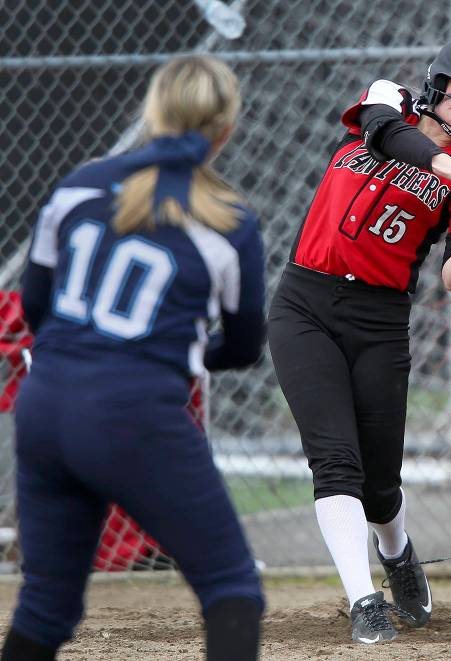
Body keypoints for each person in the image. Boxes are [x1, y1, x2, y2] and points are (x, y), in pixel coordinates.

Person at [267, 34, 451, 644]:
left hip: (379, 319)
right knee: (335, 460)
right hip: (303, 302)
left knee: (381, 482)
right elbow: (390, 135)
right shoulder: (389, 101)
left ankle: (398, 551)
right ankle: (364, 601)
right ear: (437, 86)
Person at [2, 55, 266, 660]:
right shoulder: (228, 220)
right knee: (231, 590)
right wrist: (181, 356)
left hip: (45, 406)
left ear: (153, 112)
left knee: (46, 607)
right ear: (225, 129)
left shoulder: (79, 185)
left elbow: (37, 308)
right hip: (133, 411)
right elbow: (247, 344)